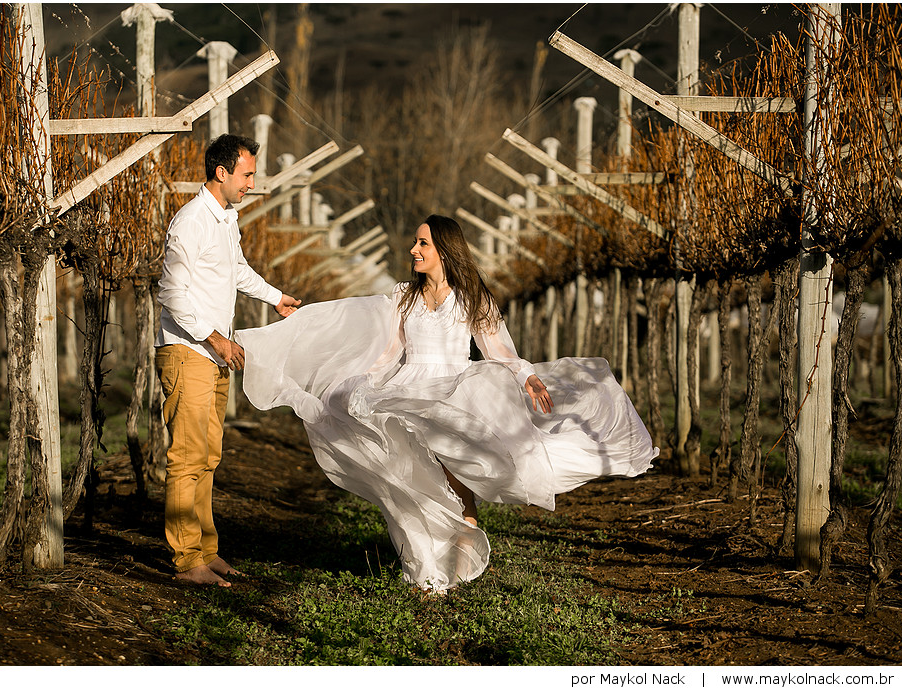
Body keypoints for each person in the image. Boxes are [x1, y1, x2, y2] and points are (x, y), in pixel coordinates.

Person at [236, 214, 657, 592]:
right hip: (409, 387)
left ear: (444, 251)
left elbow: (499, 351)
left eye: (423, 244)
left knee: (456, 478)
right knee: (412, 476)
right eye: (415, 243)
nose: (413, 250)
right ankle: (424, 564)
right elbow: (390, 351)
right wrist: (360, 380)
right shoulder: (405, 296)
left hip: (455, 390)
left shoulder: (472, 297)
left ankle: (461, 557)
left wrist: (525, 374)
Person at [154, 133, 301, 587]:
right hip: (190, 351)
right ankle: (186, 561)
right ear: (222, 173)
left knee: (209, 456)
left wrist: (276, 298)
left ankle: (206, 550)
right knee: (186, 457)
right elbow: (171, 293)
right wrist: (216, 338)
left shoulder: (226, 220)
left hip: (212, 355)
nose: (251, 184)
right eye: (247, 175)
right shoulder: (191, 222)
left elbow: (236, 270)